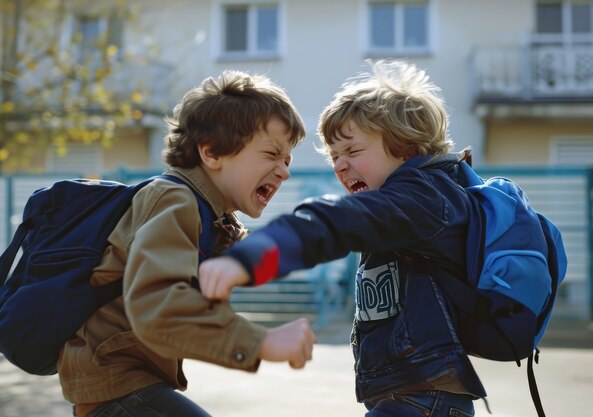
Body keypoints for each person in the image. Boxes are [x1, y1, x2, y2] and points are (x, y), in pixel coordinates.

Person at [197, 60, 488, 417]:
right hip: (409, 396)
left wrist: (254, 257)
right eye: (334, 156)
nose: (339, 165)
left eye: (352, 151)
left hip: (425, 401)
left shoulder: (424, 200)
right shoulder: (406, 212)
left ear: (407, 150)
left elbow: (333, 224)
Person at [58, 70, 317, 417]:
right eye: (272, 154)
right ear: (212, 153)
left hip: (128, 383)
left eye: (287, 160)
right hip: (116, 382)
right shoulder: (174, 200)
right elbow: (159, 306)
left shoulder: (212, 218)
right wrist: (261, 342)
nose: (285, 171)